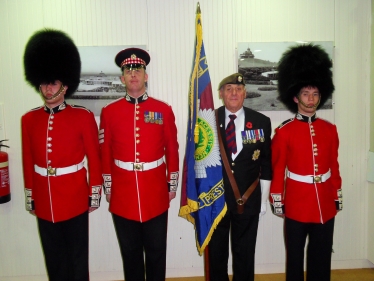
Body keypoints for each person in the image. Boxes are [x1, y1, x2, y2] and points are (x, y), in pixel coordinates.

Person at [21, 29, 102, 281]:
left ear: (65, 85)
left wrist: (94, 192)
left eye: (53, 82)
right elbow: (28, 161)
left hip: (75, 196)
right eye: (44, 82)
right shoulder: (29, 119)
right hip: (44, 199)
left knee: (78, 259)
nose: (47, 87)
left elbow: (94, 159)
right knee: (53, 260)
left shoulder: (83, 116)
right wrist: (30, 195)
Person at [99, 48, 179, 281]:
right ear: (122, 78)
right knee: (130, 254)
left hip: (155, 191)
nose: (133, 74)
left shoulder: (162, 110)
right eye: (128, 70)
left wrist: (171, 183)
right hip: (123, 193)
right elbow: (105, 152)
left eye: (138, 69)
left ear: (146, 76)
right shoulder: (109, 112)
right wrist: (109, 186)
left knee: (156, 253)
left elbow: (171, 150)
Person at [269, 44, 342, 281]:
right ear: (295, 96)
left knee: (321, 257)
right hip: (297, 204)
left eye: (315, 94)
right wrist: (277, 199)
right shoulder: (284, 132)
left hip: (324, 203)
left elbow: (334, 165)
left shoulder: (330, 130)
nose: (311, 99)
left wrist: (336, 194)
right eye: (305, 94)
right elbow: (278, 169)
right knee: (295, 259)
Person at [208, 73, 272, 281]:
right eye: (229, 89)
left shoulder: (261, 121)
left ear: (245, 93)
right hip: (215, 200)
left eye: (238, 89)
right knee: (216, 254)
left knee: (244, 254)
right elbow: (199, 163)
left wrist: (263, 201)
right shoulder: (208, 120)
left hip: (248, 198)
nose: (234, 93)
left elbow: (266, 164)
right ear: (221, 93)